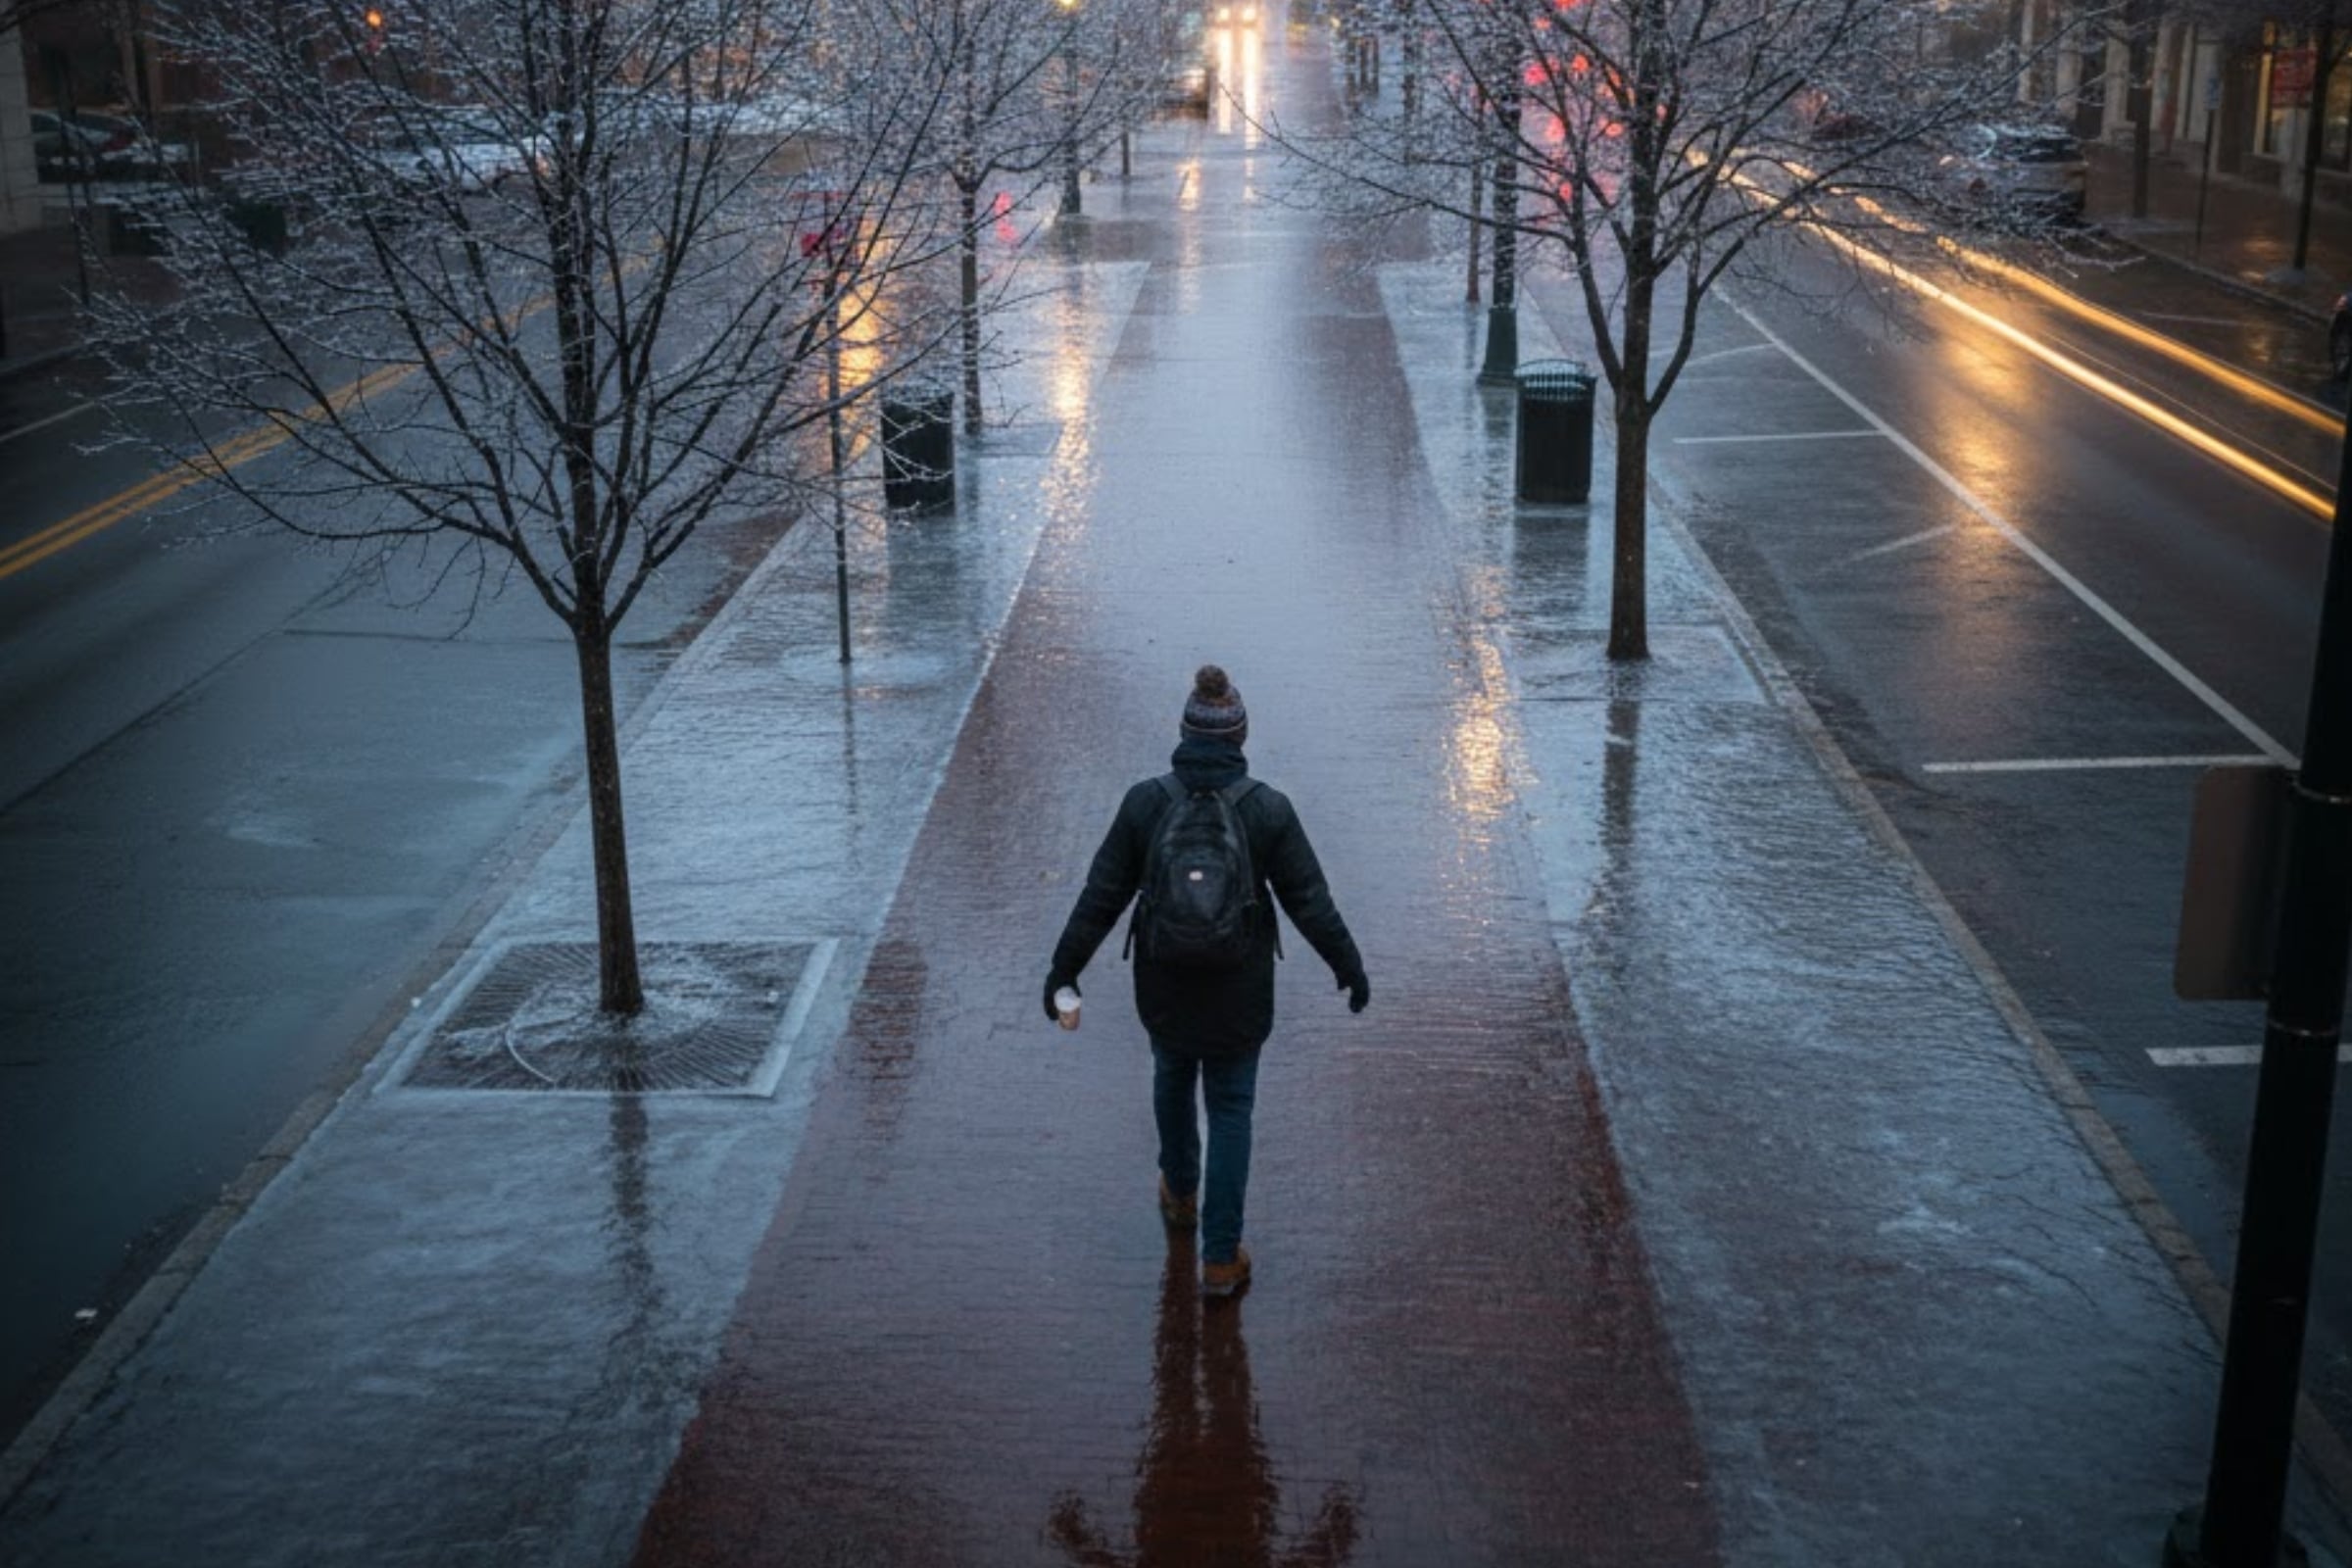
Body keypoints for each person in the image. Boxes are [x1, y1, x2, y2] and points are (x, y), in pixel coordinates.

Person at [1046, 665, 1368, 1298]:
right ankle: (1220, 1258)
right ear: (1240, 736)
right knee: (1231, 1107)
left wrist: (1064, 970)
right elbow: (1310, 901)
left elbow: (1101, 896)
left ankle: (1179, 1193)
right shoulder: (1267, 809)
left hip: (1164, 983)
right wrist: (1348, 967)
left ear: (1184, 734)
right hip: (1239, 990)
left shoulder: (1146, 803)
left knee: (1171, 1076)